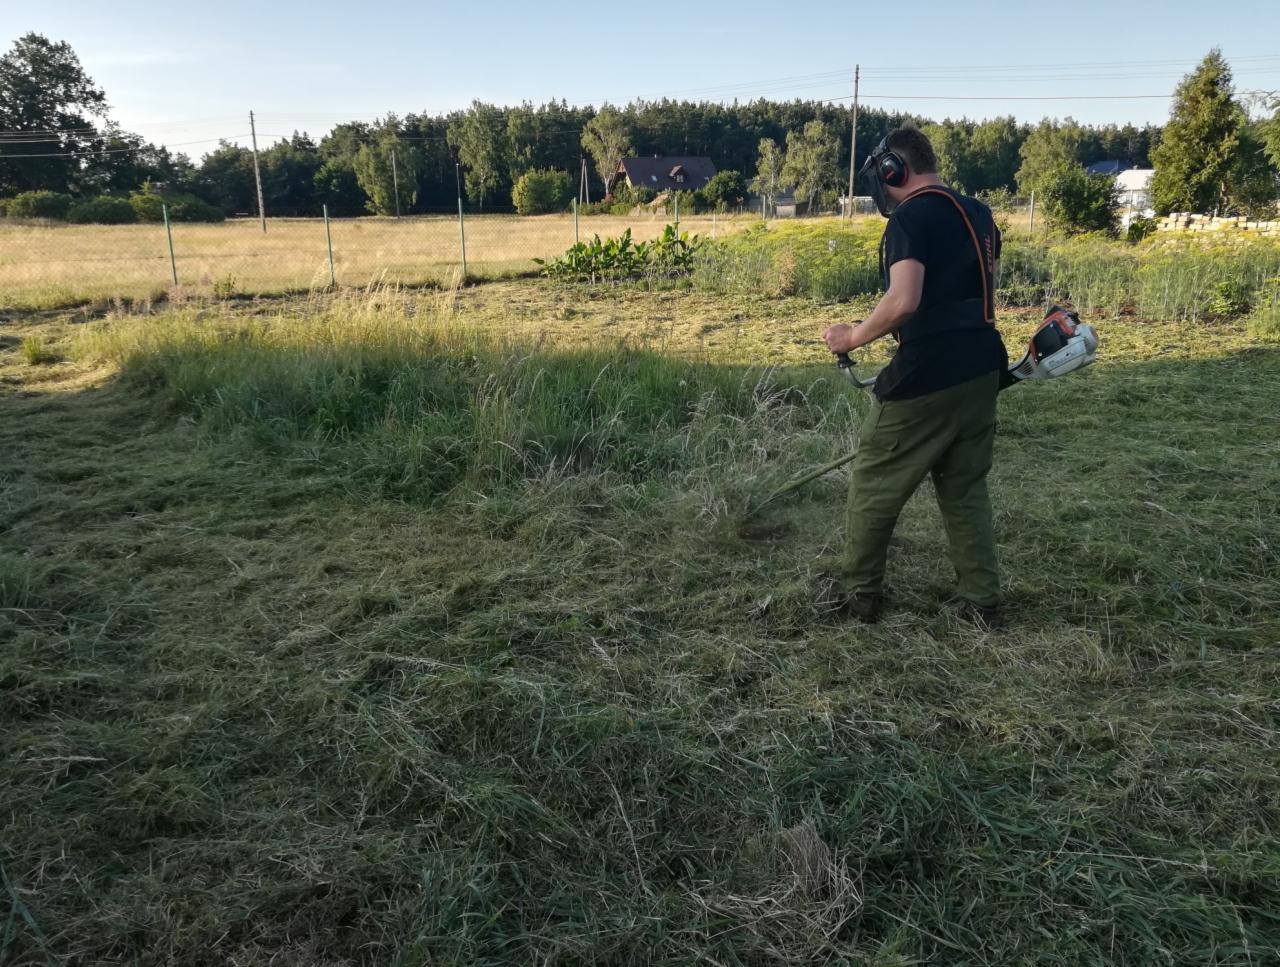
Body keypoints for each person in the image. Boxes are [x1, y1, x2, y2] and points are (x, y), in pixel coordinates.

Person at [822, 126, 1008, 628]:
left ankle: (859, 597)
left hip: (928, 371)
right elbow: (985, 290)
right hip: (982, 367)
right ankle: (982, 601)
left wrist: (851, 338)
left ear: (893, 171)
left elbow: (905, 300)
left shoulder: (910, 217)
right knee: (964, 488)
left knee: (874, 483)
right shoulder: (979, 214)